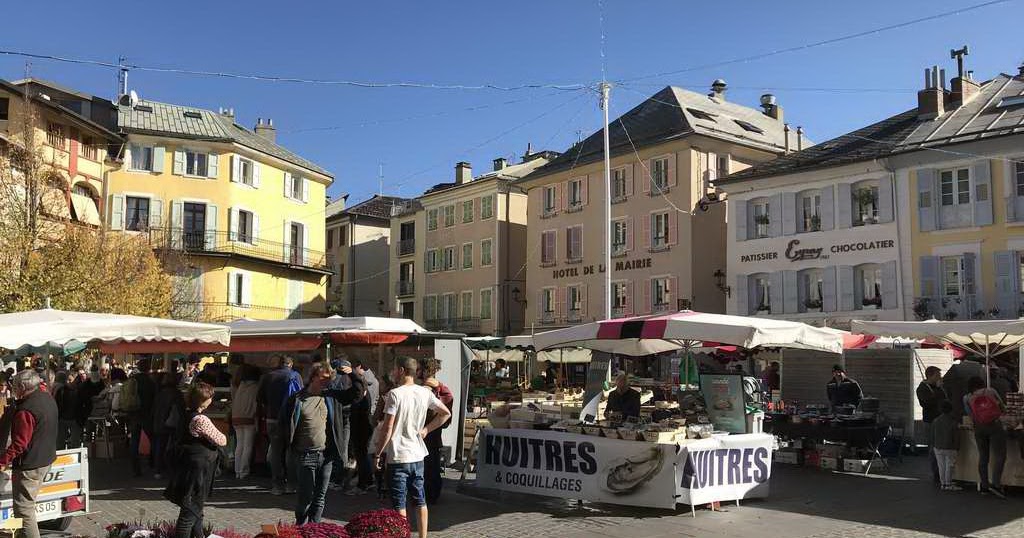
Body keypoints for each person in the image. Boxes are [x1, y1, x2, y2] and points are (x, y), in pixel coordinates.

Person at [374, 357, 452, 538]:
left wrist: (378, 453)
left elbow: (387, 428)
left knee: (399, 504)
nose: (393, 373)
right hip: (417, 455)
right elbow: (445, 413)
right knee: (420, 500)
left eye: (394, 369)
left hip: (399, 456)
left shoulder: (395, 394)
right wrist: (426, 429)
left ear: (401, 370)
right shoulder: (424, 392)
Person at [279, 362, 365, 525]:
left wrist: (353, 375)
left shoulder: (332, 397)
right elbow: (283, 423)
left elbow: (357, 394)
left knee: (319, 497)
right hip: (305, 454)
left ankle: (314, 530)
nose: (327, 381)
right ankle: (301, 527)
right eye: (323, 378)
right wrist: (288, 446)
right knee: (305, 497)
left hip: (326, 455)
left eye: (329, 378)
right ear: (312, 378)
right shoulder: (297, 399)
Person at [164, 382, 227, 538]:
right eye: (210, 397)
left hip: (188, 467)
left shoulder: (185, 414)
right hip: (197, 471)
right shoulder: (201, 419)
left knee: (196, 511)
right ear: (203, 400)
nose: (211, 400)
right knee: (190, 512)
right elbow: (222, 440)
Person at [0, 370, 58, 538]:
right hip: (45, 458)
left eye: (15, 387)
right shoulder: (46, 396)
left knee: (24, 509)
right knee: (22, 508)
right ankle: (19, 535)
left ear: (23, 387)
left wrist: (3, 460)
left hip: (31, 465)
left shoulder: (26, 410)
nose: (13, 390)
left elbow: (19, 444)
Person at [258, 355, 303, 495]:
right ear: (291, 364)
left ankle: (277, 485)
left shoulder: (268, 376)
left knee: (276, 452)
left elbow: (260, 398)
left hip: (272, 418)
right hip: (291, 419)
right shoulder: (296, 376)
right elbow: (302, 397)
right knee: (291, 450)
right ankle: (292, 484)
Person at [963, 376, 1007, 498]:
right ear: (982, 383)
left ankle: (984, 486)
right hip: (994, 425)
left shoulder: (966, 398)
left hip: (979, 428)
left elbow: (970, 415)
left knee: (983, 457)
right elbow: (1002, 407)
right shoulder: (991, 391)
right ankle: (996, 484)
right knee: (1000, 455)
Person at [418, 358, 453, 504]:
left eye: (420, 369)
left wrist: (426, 428)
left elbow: (445, 414)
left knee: (428, 466)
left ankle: (429, 495)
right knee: (432, 465)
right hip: (433, 433)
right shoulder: (442, 389)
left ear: (426, 370)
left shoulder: (430, 389)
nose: (417, 372)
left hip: (427, 432)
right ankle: (431, 494)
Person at [347, 359, 378, 494]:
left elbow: (360, 405)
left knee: (362, 453)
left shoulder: (365, 387)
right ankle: (366, 480)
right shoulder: (370, 383)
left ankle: (364, 483)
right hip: (365, 423)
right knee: (362, 453)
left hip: (363, 424)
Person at [916, 366, 948, 485]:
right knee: (933, 447)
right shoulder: (922, 388)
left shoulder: (939, 388)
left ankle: (943, 472)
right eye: (937, 375)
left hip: (941, 420)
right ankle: (936, 473)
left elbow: (945, 400)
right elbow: (927, 403)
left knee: (942, 446)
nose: (940, 377)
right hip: (930, 421)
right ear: (931, 376)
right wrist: (938, 390)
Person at [152, 372, 186, 480]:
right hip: (172, 423)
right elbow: (181, 410)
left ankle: (158, 470)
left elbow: (154, 409)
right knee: (173, 445)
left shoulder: (159, 393)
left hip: (160, 423)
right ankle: (172, 468)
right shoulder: (177, 393)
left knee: (160, 447)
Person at [128, 360, 158, 477]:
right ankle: (154, 463)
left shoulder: (133, 379)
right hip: (147, 413)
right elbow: (154, 398)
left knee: (134, 442)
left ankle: (135, 468)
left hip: (134, 412)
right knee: (154, 439)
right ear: (148, 368)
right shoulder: (151, 381)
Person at [231, 365, 260, 479]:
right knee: (248, 445)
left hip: (236, 417)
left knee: (239, 445)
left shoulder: (239, 386)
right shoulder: (256, 387)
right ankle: (244, 471)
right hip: (249, 417)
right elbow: (256, 404)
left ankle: (237, 470)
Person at [932, 400, 961, 491]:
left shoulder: (936, 421)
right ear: (951, 410)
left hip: (938, 446)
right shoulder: (953, 422)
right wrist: (957, 447)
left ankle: (943, 483)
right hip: (950, 447)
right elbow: (956, 436)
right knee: (949, 465)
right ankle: (948, 483)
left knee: (941, 465)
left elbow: (932, 435)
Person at [53, 371, 83, 449]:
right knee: (72, 441)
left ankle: (62, 455)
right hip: (71, 418)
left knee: (62, 441)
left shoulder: (60, 389)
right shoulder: (63, 390)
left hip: (66, 418)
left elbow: (57, 404)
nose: (69, 382)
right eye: (68, 380)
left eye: (71, 380)